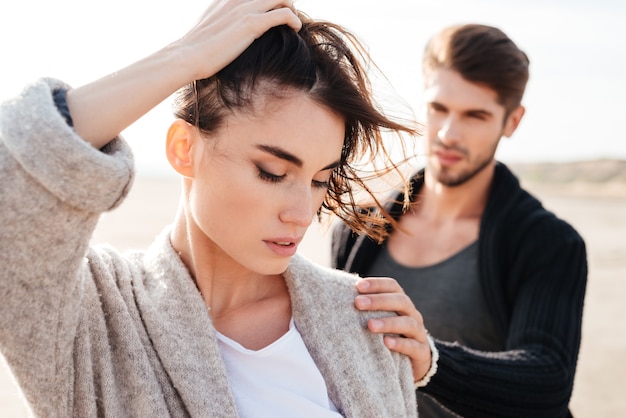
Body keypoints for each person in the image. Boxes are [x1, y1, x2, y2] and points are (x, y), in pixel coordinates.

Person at [0, 1, 423, 416]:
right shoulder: (94, 319)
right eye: (272, 172)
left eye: (318, 181)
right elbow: (13, 177)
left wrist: (434, 362)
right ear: (184, 149)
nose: (301, 213)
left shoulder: (362, 319)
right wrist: (183, 57)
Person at [332, 23, 588, 417]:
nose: (449, 133)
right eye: (439, 108)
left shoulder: (550, 243)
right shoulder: (357, 229)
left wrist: (431, 362)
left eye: (475, 115)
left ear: (512, 122)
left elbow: (548, 378)